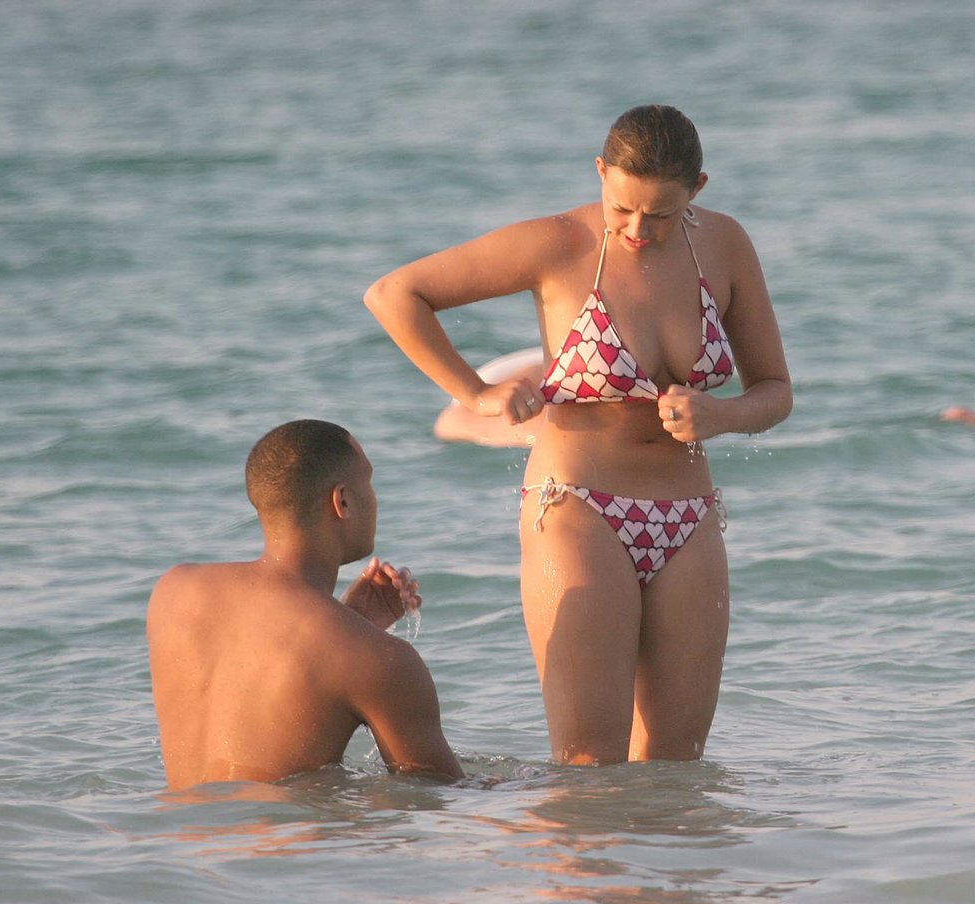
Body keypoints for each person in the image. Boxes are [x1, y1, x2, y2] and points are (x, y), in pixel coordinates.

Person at [364, 105, 792, 766]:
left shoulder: (725, 246)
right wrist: (475, 393)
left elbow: (775, 391)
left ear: (698, 190)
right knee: (589, 763)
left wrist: (720, 416)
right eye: (621, 208)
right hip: (579, 508)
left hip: (689, 517)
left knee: (678, 766)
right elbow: (395, 294)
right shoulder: (558, 244)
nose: (636, 230)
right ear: (600, 172)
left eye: (660, 214)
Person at [147, 419, 463, 791]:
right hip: (288, 847)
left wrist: (350, 621)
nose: (376, 498)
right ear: (342, 500)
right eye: (370, 481)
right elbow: (438, 793)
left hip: (174, 841)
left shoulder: (174, 591)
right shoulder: (378, 660)